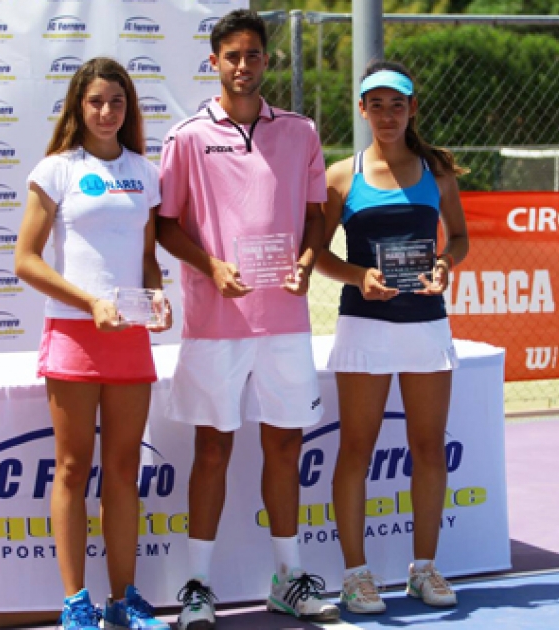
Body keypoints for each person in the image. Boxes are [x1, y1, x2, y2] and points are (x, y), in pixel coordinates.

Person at [155, 9, 338, 630]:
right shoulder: (185, 138)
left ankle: (287, 579)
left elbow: (316, 215)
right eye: (231, 56)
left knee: (285, 445)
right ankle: (198, 589)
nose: (242, 66)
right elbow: (165, 225)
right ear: (215, 63)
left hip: (284, 321)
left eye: (252, 55)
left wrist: (309, 261)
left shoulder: (300, 131)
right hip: (217, 324)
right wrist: (211, 266)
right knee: (213, 448)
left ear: (267, 60)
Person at [14, 57, 172, 630]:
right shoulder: (56, 169)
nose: (107, 112)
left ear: (129, 109)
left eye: (117, 102)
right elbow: (25, 260)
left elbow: (148, 259)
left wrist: (156, 297)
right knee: (74, 469)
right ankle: (76, 604)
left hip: (129, 338)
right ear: (78, 108)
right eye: (96, 102)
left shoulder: (145, 172)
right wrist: (89, 304)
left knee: (124, 470)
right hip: (75, 335)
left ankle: (123, 600)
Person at [315, 60, 470, 615]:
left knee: (428, 449)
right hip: (364, 327)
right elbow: (319, 254)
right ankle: (356, 577)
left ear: (412, 109)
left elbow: (459, 238)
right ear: (361, 110)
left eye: (396, 104)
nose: (386, 114)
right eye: (375, 104)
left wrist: (447, 265)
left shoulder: (438, 171)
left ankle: (423, 570)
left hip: (426, 326)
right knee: (356, 449)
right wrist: (361, 277)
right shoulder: (340, 176)